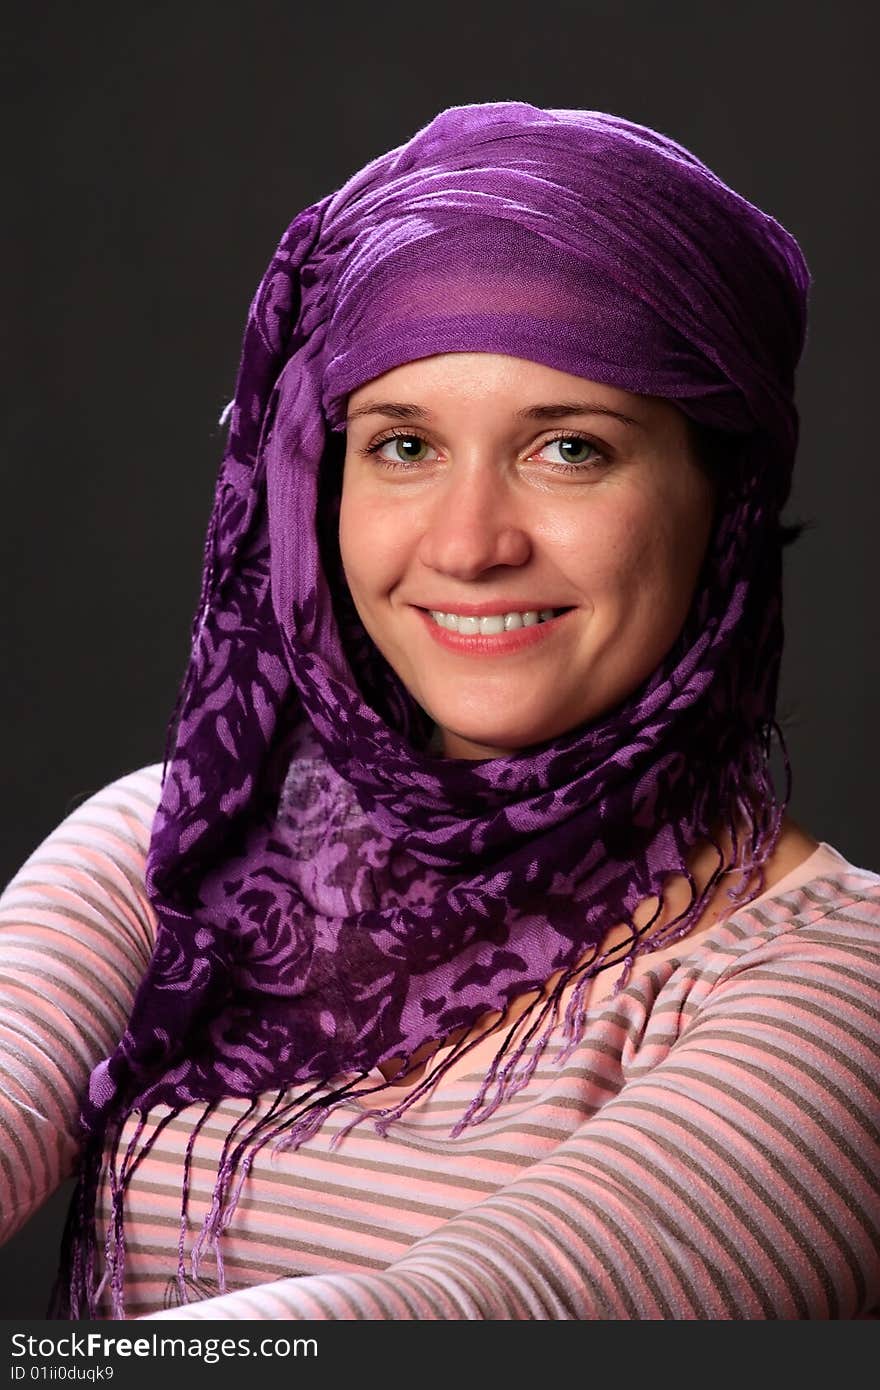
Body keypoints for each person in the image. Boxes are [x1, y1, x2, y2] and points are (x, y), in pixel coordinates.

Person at [1, 101, 878, 1322]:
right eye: (403, 445)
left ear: (722, 495)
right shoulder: (177, 846)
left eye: (569, 448)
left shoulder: (834, 979)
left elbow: (450, 1318)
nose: (468, 546)